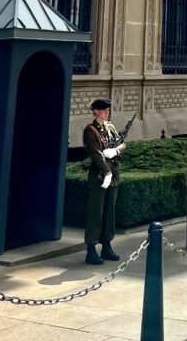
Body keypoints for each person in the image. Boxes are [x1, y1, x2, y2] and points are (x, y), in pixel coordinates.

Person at [83, 97, 126, 265]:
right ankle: (91, 250)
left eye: (108, 110)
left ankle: (106, 246)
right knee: (96, 213)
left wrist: (115, 151)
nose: (107, 112)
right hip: (99, 176)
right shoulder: (90, 130)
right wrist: (106, 172)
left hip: (113, 175)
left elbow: (123, 144)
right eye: (104, 110)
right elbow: (96, 153)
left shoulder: (110, 127)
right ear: (96, 111)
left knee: (109, 212)